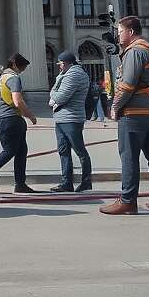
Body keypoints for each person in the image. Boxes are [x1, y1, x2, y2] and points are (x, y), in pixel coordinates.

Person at [100, 15, 149, 215]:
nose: (118, 35)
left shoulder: (135, 52)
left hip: (135, 113)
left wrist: (114, 107)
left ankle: (128, 200)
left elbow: (127, 85)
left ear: (130, 32)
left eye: (120, 31)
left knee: (129, 157)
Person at [0, 53, 39, 194]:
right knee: (9, 150)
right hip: (10, 119)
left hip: (4, 118)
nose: (23, 70)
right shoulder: (13, 78)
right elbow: (17, 101)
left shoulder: (1, 78)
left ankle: (20, 184)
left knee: (21, 151)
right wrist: (31, 116)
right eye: (22, 67)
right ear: (15, 65)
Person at [48, 51, 92, 193]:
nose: (59, 67)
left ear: (66, 63)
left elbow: (60, 97)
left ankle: (86, 182)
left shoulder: (74, 74)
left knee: (79, 150)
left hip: (71, 118)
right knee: (63, 150)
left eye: (60, 64)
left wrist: (52, 93)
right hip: (62, 118)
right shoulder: (68, 74)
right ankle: (66, 182)